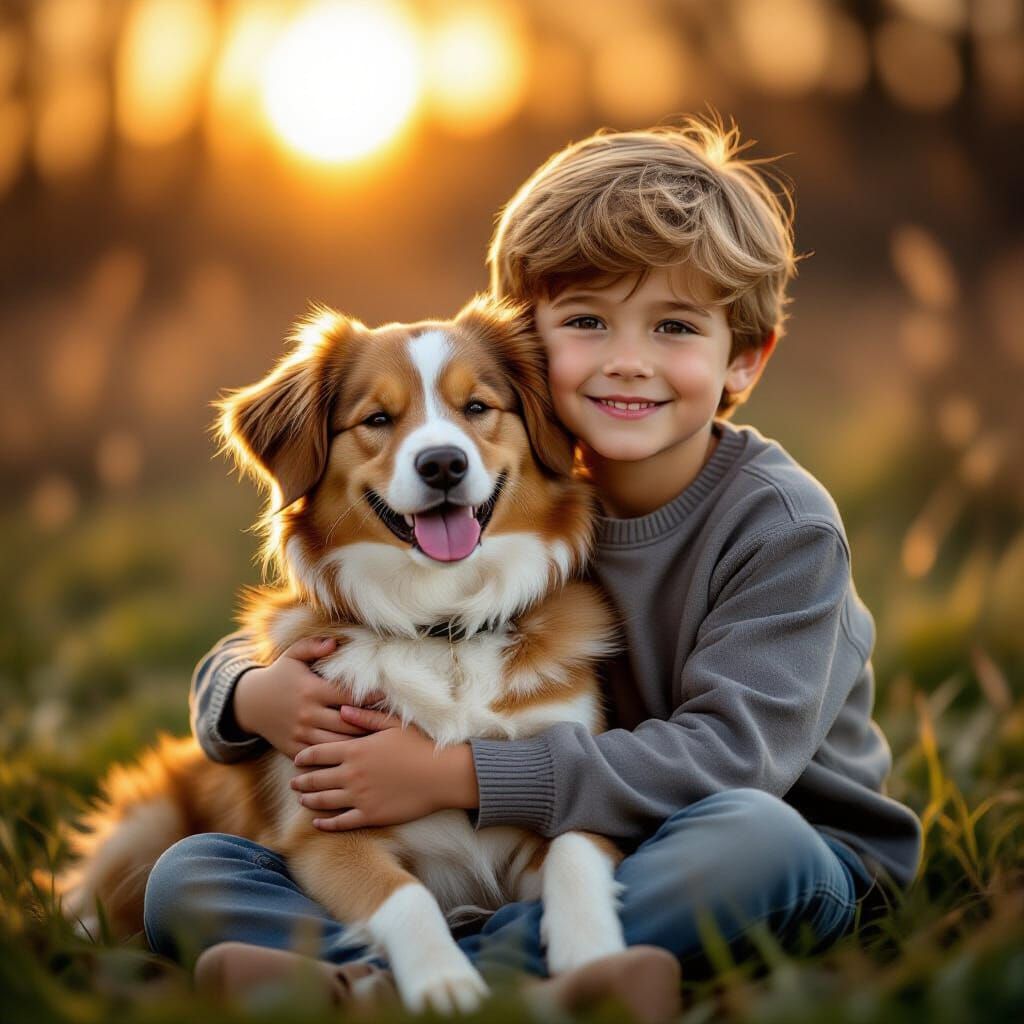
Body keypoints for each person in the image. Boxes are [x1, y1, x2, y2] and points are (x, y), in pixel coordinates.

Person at [144, 117, 922, 1015]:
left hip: (767, 845)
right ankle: (531, 979)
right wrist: (242, 696)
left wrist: (455, 776)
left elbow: (734, 762)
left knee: (753, 841)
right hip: (573, 851)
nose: (627, 361)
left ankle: (398, 991)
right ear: (538, 349)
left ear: (744, 358)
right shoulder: (505, 501)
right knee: (190, 874)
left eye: (673, 325)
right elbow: (287, 633)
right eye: (588, 322)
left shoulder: (779, 527)